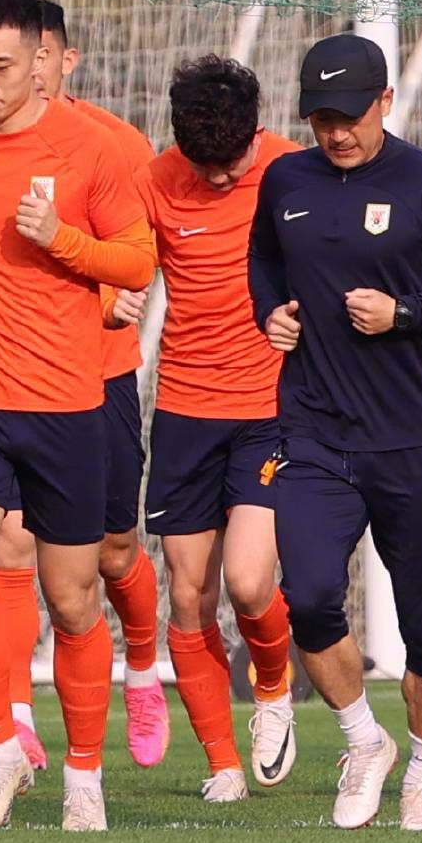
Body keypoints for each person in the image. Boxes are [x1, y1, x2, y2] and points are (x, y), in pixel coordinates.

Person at [0, 0, 156, 831]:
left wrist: (61, 240)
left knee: (72, 599)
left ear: (38, 59)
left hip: (65, 404)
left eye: (0, 65)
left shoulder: (89, 148)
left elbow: (135, 262)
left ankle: (85, 772)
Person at [249, 34, 422, 831]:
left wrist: (407, 313)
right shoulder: (285, 178)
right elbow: (263, 258)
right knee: (312, 595)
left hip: (413, 437)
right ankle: (365, 741)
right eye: (322, 117)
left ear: (385, 102)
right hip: (315, 433)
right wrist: (272, 310)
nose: (336, 132)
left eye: (351, 115)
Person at [0, 0, 166, 774]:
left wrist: (119, 297)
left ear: (63, 59)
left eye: (42, 55)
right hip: (14, 384)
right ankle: (18, 715)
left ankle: (146, 673)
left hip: (102, 376)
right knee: (12, 542)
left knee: (114, 551)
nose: (32, 72)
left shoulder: (114, 146)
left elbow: (136, 254)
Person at [132, 55, 302, 802]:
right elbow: (125, 262)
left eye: (233, 163)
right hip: (184, 412)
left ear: (256, 131)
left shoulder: (294, 172)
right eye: (207, 166)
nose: (223, 179)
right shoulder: (156, 180)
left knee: (247, 578)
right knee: (188, 594)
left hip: (271, 407)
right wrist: (112, 296)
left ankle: (272, 687)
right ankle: (222, 762)